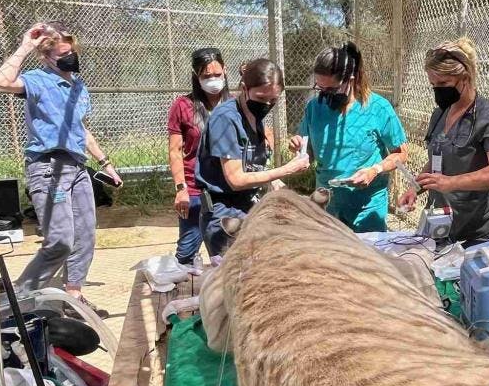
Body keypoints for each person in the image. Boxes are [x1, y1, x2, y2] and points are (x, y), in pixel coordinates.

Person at [0, 21, 122, 318]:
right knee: (61, 239)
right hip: (48, 168)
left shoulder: (78, 85)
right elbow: (0, 81)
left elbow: (81, 130)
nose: (69, 58)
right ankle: (19, 300)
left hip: (77, 167)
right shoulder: (37, 80)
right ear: (47, 56)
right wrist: (26, 45)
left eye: (71, 52)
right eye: (62, 54)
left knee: (85, 235)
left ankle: (72, 297)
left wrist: (106, 163)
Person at [397, 38, 489, 246]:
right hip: (443, 225)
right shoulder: (440, 115)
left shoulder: (488, 117)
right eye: (433, 84)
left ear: (465, 78)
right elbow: (437, 161)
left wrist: (451, 183)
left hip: (480, 231)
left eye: (443, 84)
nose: (437, 90)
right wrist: (415, 188)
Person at [289, 42, 408, 233]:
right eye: (320, 89)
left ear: (349, 79)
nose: (325, 96)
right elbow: (308, 153)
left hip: (366, 208)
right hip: (326, 204)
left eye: (332, 89)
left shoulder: (378, 108)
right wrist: (299, 149)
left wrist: (375, 170)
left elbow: (401, 154)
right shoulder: (314, 108)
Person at [195, 58, 308, 256]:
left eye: (273, 100)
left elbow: (249, 164)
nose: (266, 105)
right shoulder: (226, 119)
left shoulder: (254, 117)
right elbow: (236, 179)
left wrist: (273, 181)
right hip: (224, 214)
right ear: (244, 88)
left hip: (248, 206)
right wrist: (286, 169)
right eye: (261, 98)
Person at [168, 47, 228, 265]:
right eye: (206, 76)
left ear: (225, 71)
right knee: (185, 252)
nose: (213, 80)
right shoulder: (182, 106)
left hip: (228, 188)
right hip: (195, 190)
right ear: (196, 76)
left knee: (226, 252)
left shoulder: (236, 105)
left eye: (216, 74)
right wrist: (180, 189)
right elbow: (175, 151)